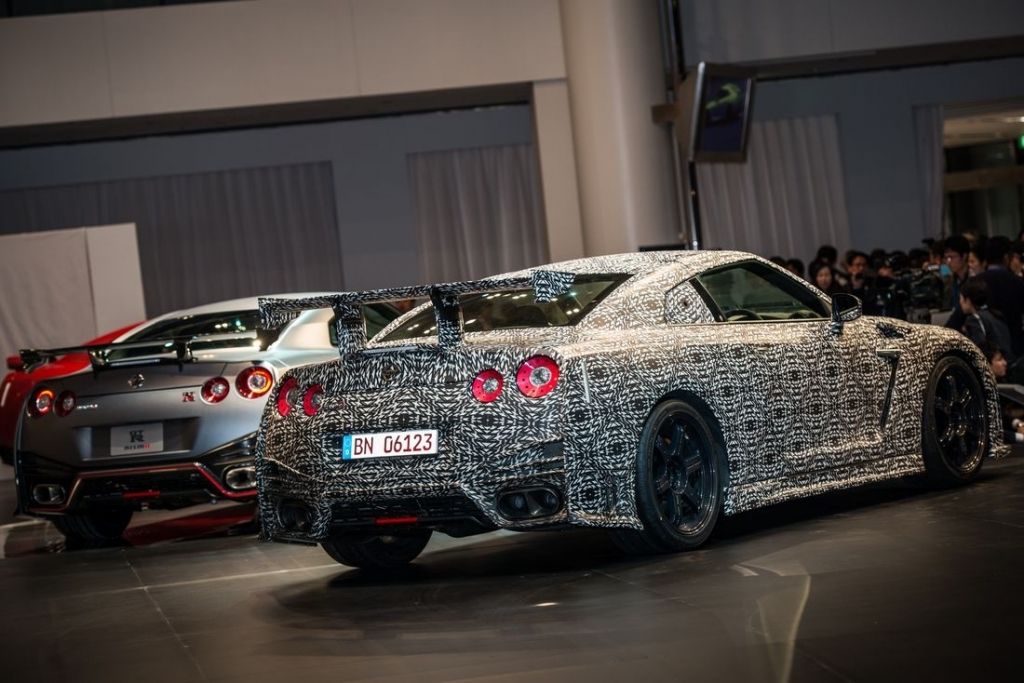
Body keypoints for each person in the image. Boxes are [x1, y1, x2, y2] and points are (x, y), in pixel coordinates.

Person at [955, 278, 1015, 363]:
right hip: (1007, 363)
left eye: (961, 298)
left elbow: (978, 351)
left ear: (967, 300)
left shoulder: (974, 319)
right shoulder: (996, 314)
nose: (960, 302)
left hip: (992, 366)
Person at [980, 342, 1024, 445]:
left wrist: (1019, 424)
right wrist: (1020, 437)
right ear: (987, 364)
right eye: (999, 359)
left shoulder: (995, 385)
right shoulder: (982, 392)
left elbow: (1001, 416)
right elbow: (988, 430)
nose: (1005, 363)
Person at [942, 234, 971, 311]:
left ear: (964, 256)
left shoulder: (974, 279)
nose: (948, 262)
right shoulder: (951, 281)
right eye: (946, 258)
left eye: (951, 257)